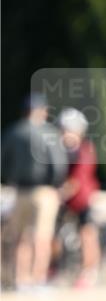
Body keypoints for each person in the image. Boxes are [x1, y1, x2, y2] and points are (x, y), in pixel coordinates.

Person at [1, 93, 68, 290]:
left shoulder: (13, 131)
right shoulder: (49, 133)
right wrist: (56, 186)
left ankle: (21, 279)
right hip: (43, 191)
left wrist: (9, 179)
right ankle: (38, 278)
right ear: (42, 111)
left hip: (19, 190)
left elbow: (2, 162)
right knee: (42, 237)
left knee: (21, 238)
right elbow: (58, 164)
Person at [56, 108, 101, 288]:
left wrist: (60, 194)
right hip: (70, 199)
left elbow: (77, 181)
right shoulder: (66, 149)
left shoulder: (83, 150)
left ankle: (89, 272)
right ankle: (59, 269)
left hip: (81, 199)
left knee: (87, 234)